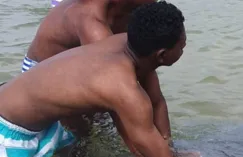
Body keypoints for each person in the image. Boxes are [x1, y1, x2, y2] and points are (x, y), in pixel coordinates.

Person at [0, 1, 192, 157]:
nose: (183, 49)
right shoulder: (122, 87)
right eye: (182, 47)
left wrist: (169, 150)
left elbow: (157, 101)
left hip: (34, 114)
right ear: (162, 55)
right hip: (8, 131)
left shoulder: (127, 44)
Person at [22, 0, 173, 149]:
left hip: (87, 66)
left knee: (106, 124)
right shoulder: (90, 21)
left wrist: (168, 147)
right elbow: (119, 102)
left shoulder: (132, 11)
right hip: (46, 77)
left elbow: (155, 97)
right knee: (78, 137)